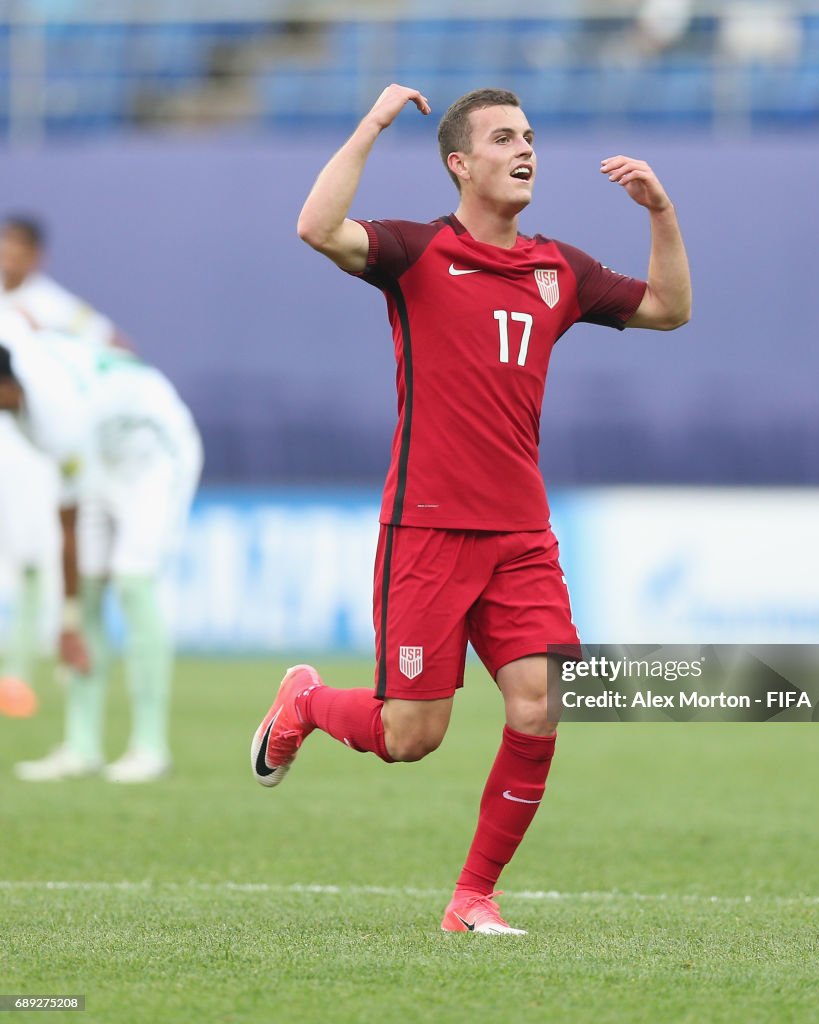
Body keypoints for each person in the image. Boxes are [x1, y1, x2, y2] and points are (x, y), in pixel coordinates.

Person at [250, 84, 691, 934]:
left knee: (540, 702)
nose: (523, 149)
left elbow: (669, 309)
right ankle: (303, 704)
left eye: (528, 135)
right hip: (427, 529)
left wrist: (659, 212)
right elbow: (316, 227)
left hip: (521, 535)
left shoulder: (558, 268)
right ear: (459, 162)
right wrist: (376, 122)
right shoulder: (415, 252)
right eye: (501, 137)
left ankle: (471, 899)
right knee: (412, 737)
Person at [0, 312, 203, 783]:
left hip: (156, 451)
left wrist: (65, 619)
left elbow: (66, 526)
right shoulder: (19, 353)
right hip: (103, 456)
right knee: (89, 592)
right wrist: (73, 612)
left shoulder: (54, 417)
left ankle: (150, 746)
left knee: (132, 584)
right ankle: (81, 745)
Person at [0, 215, 126, 717]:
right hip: (9, 443)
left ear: (37, 257)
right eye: (5, 246)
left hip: (41, 445)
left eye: (19, 248)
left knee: (36, 557)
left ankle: (18, 673)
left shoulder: (52, 306)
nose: (10, 256)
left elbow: (110, 341)